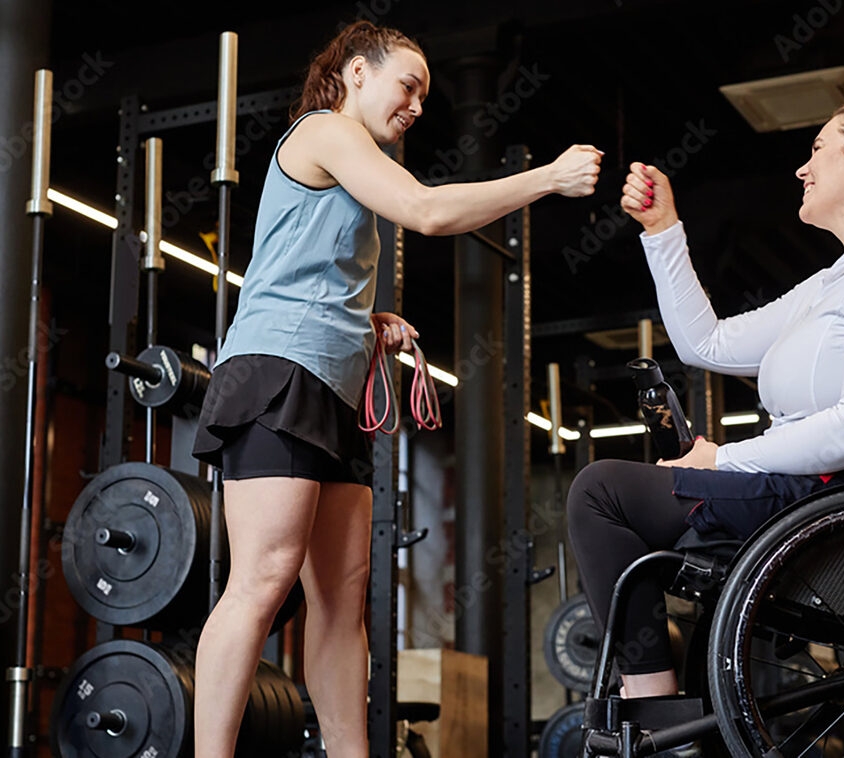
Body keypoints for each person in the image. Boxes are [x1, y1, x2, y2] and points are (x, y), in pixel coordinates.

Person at [190, 21, 601, 758]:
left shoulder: (351, 159)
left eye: (423, 95)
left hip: (331, 387)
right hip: (276, 373)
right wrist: (548, 178)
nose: (415, 104)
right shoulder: (326, 130)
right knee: (263, 578)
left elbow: (304, 263)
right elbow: (429, 211)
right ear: (355, 72)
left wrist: (363, 319)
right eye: (407, 84)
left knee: (344, 601)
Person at [567, 101, 844, 698]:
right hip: (812, 492)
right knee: (610, 493)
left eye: (818, 149)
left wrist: (722, 460)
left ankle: (651, 703)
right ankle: (657, 701)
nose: (802, 168)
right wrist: (663, 231)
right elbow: (705, 342)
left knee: (603, 491)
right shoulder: (837, 279)